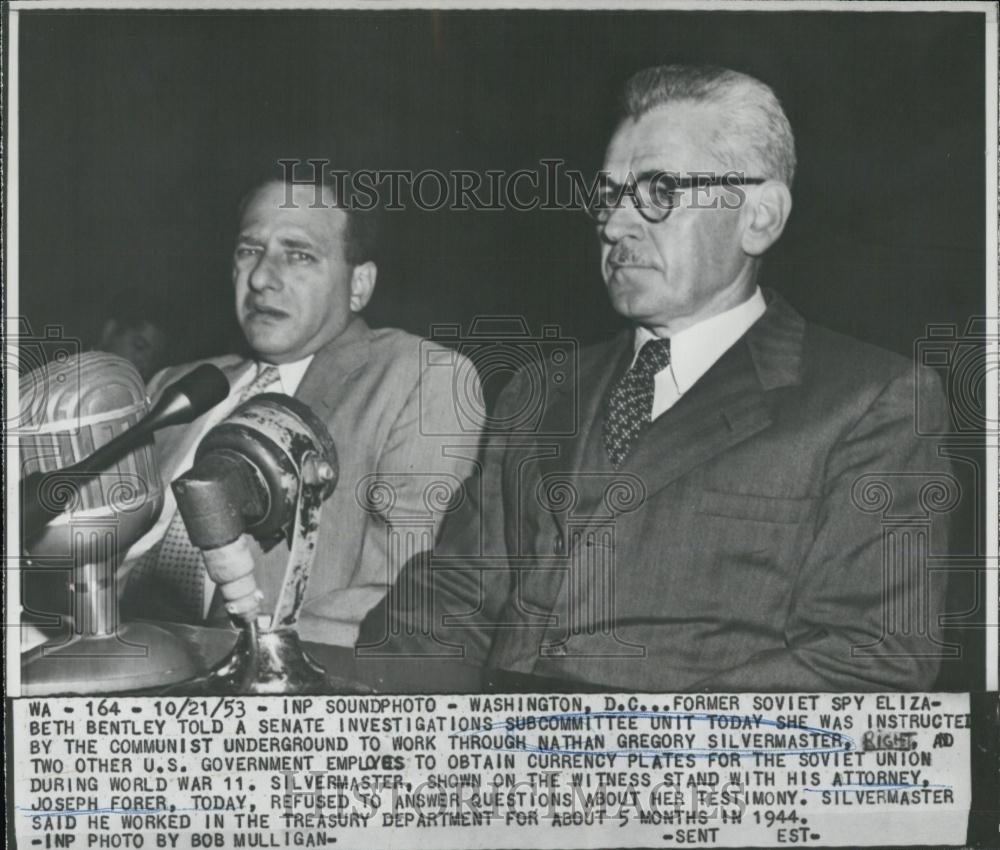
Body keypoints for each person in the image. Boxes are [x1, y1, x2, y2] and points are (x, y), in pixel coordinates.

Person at [361, 64, 955, 692]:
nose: (615, 225)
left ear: (760, 216)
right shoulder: (540, 392)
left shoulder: (871, 402)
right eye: (608, 195)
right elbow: (450, 597)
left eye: (658, 192)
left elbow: (865, 658)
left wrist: (629, 751)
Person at [120, 176, 478, 647]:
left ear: (359, 285)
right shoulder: (174, 384)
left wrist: (224, 656)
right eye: (249, 250)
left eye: (299, 254)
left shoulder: (419, 379)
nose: (262, 278)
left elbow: (396, 597)